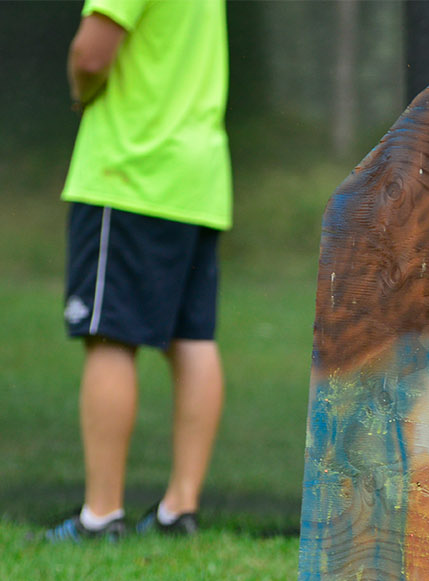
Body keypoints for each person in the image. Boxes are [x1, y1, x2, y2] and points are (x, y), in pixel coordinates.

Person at [45, 0, 231, 542]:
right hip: (198, 177)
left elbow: (91, 53)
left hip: (129, 170)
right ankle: (180, 510)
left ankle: (100, 516)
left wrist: (82, 96)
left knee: (108, 336)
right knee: (193, 336)